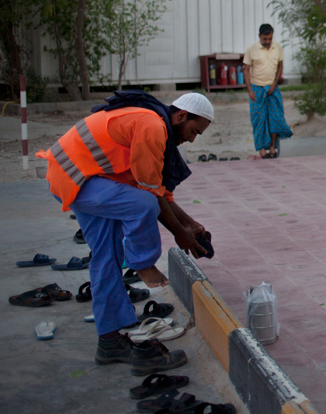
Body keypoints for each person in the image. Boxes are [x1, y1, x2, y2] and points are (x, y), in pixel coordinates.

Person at [36, 91, 214, 372]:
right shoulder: (153, 125)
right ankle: (142, 263)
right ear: (181, 116)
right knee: (142, 205)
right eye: (194, 131)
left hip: (78, 176)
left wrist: (189, 224)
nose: (192, 139)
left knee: (106, 255)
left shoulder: (156, 124)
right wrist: (179, 233)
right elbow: (148, 193)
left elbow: (159, 190)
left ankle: (109, 341)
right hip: (79, 177)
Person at [243, 23, 292, 158]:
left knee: (275, 118)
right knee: (259, 119)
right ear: (260, 36)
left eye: (269, 39)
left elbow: (280, 67)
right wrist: (250, 90)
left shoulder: (277, 47)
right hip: (256, 87)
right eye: (265, 39)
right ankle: (262, 150)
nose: (267, 42)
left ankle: (272, 148)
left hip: (272, 87)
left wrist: (274, 84)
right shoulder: (251, 49)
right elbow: (246, 70)